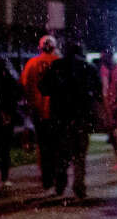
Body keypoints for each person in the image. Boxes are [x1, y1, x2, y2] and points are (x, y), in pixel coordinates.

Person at [39, 42, 101, 199]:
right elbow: (98, 92)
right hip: (80, 117)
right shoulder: (88, 68)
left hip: (60, 117)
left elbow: (44, 88)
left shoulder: (56, 66)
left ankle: (60, 185)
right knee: (79, 154)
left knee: (61, 154)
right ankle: (79, 186)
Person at [21, 35, 61, 190]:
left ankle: (46, 177)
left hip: (39, 111)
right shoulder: (59, 62)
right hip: (56, 111)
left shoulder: (32, 63)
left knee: (43, 146)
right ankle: (57, 176)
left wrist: (31, 104)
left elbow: (25, 86)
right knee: (57, 146)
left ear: (40, 47)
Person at [0, 57, 23, 195]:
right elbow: (16, 95)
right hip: (1, 120)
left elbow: (14, 96)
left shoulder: (3, 81)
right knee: (1, 149)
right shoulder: (7, 80)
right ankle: (1, 177)